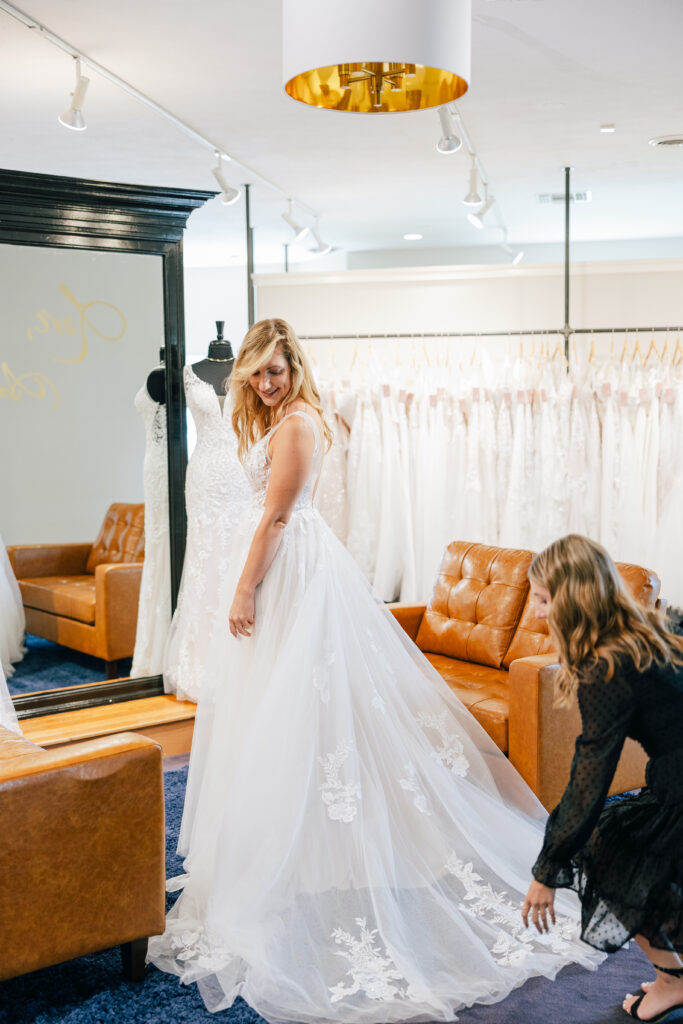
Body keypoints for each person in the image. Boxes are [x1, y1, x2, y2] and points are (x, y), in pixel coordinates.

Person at [148, 319, 603, 1022]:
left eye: (277, 371)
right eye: (258, 373)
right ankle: (289, 853)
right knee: (278, 717)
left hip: (289, 574)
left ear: (295, 369)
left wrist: (241, 590)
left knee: (297, 715)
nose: (267, 385)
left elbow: (275, 518)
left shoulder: (297, 423)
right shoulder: (282, 416)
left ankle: (309, 857)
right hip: (286, 569)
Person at [521, 535, 683, 1023]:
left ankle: (673, 983)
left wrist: (546, 869)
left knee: (611, 848)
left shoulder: (606, 666)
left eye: (544, 599)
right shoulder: (651, 626)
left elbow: (589, 779)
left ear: (574, 600)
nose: (536, 612)